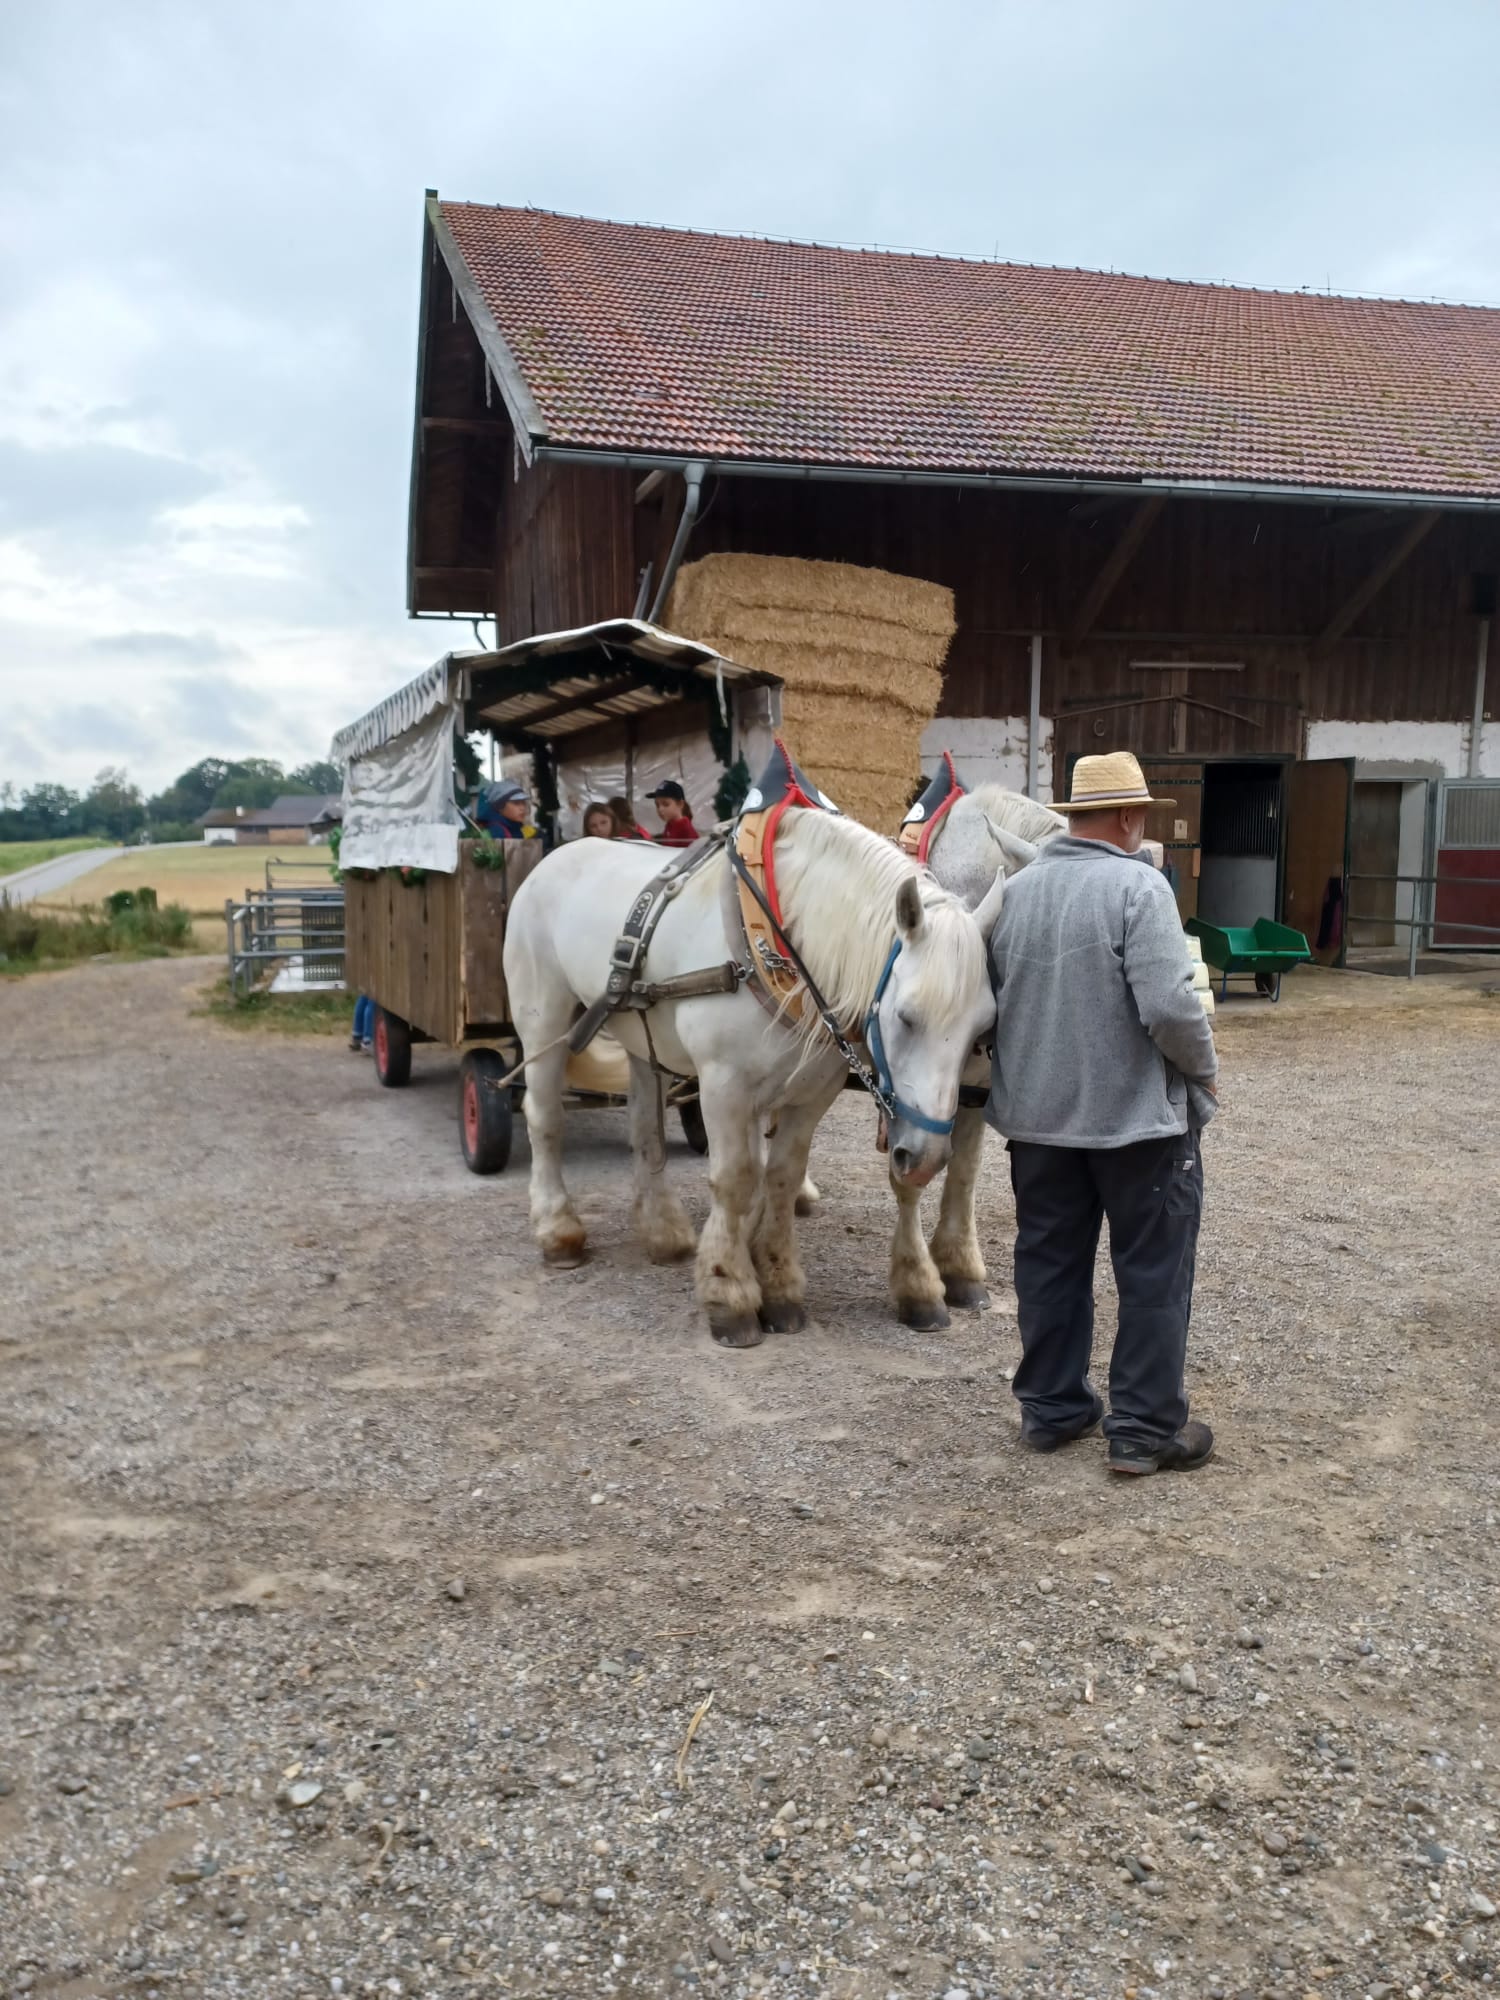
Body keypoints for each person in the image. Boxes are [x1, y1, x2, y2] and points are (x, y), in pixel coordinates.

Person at [985, 752, 1220, 1477]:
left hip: (1036, 1122)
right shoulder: (1139, 888)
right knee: (1152, 1270)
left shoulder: (1016, 892)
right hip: (1135, 1123)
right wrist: (1202, 1075)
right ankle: (1144, 1428)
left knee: (1048, 1263)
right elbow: (1171, 1007)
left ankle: (1053, 1411)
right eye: (1141, 812)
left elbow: (993, 999)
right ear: (1125, 817)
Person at [647, 779, 699, 847]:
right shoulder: (670, 825)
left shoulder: (685, 830)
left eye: (666, 804)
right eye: (657, 805)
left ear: (680, 804)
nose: (660, 809)